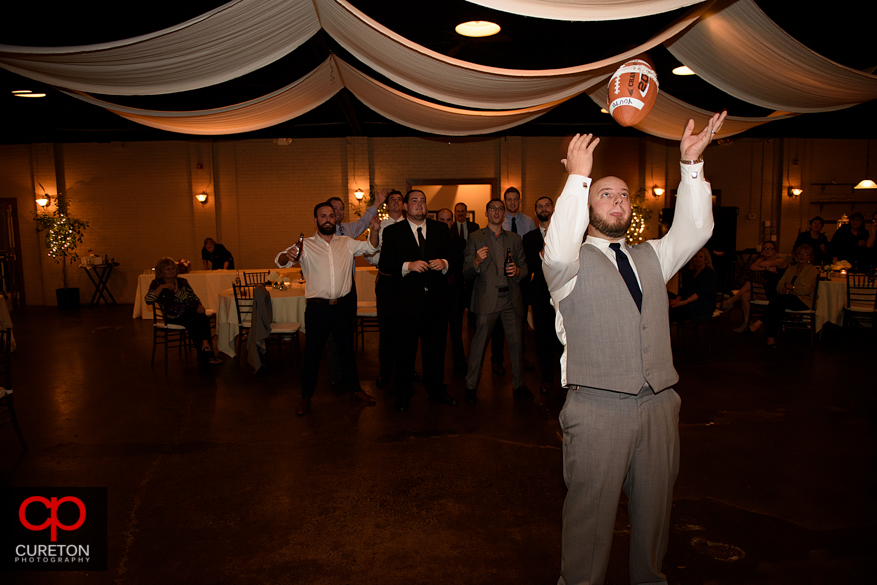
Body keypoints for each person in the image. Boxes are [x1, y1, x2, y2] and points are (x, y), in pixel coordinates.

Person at [544, 111, 727, 585]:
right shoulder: (566, 265)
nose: (618, 201)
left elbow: (696, 231)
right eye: (606, 194)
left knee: (655, 516)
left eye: (623, 195)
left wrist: (690, 165)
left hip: (660, 405)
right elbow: (560, 245)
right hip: (599, 408)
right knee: (590, 520)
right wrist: (578, 178)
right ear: (588, 207)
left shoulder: (651, 255)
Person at [275, 201, 381, 416]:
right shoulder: (305, 245)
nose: (327, 220)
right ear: (316, 220)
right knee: (312, 355)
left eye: (331, 216)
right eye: (323, 216)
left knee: (346, 353)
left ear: (336, 219)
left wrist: (375, 231)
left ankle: (355, 390)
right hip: (317, 309)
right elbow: (280, 261)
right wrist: (289, 255)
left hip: (342, 308)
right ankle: (306, 397)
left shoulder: (347, 242)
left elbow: (371, 247)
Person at [379, 191, 457, 412]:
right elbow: (385, 264)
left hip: (435, 303)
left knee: (436, 349)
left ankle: (436, 390)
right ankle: (403, 394)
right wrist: (407, 266)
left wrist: (444, 262)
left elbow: (454, 256)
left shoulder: (440, 229)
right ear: (405, 206)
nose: (419, 205)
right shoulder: (393, 232)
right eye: (414, 201)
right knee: (404, 352)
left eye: (423, 201)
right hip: (405, 304)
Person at [463, 199, 530, 403]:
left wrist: (518, 271)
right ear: (486, 213)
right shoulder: (475, 238)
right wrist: (475, 261)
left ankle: (519, 386)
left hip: (511, 298)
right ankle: (471, 386)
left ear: (504, 214)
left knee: (517, 345)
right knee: (479, 345)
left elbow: (525, 268)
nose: (497, 211)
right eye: (493, 208)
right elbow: (465, 272)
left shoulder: (515, 239)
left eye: (500, 209)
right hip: (487, 299)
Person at [493, 187, 537, 374]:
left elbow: (533, 248)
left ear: (520, 201)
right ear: (504, 201)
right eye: (508, 199)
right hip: (501, 277)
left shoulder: (528, 221)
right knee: (498, 322)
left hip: (522, 276)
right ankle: (497, 359)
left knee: (519, 319)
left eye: (515, 199)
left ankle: (521, 357)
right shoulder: (498, 221)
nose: (512, 203)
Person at [364, 190, 405, 389]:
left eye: (399, 200)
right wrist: (388, 261)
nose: (396, 202)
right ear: (387, 206)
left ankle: (407, 369)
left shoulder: (412, 226)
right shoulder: (379, 226)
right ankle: (386, 370)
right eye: (392, 200)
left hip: (408, 283)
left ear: (404, 205)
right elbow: (369, 256)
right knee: (387, 329)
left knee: (408, 328)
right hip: (388, 282)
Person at [146, 257, 222, 364]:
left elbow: (193, 298)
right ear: (161, 271)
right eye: (168, 269)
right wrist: (162, 287)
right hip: (172, 316)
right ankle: (206, 351)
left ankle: (205, 349)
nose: (171, 271)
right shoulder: (156, 284)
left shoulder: (182, 282)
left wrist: (200, 305)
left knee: (199, 315)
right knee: (196, 319)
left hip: (188, 313)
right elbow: (148, 300)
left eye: (173, 268)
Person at [523, 196, 560, 393]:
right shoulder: (529, 238)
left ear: (553, 208)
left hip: (564, 294)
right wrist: (541, 254)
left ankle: (569, 378)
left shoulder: (565, 234)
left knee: (564, 338)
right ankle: (547, 378)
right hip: (539, 293)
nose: (543, 208)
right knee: (543, 338)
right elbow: (529, 266)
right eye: (539, 206)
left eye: (547, 205)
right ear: (535, 211)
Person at [747, 244, 818, 348]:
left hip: (804, 301)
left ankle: (759, 323)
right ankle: (770, 338)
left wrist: (791, 288)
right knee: (778, 305)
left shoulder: (813, 271)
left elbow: (805, 291)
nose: (802, 256)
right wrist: (788, 289)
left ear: (810, 257)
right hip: (787, 299)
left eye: (806, 254)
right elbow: (779, 286)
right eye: (800, 254)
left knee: (779, 301)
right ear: (796, 256)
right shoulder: (791, 269)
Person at [722, 242, 788, 332]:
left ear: (775, 251)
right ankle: (746, 322)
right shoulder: (761, 259)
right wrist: (766, 269)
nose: (767, 250)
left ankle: (730, 301)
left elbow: (763, 264)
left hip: (777, 293)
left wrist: (765, 265)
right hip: (765, 292)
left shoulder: (780, 260)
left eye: (770, 248)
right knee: (745, 295)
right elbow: (752, 267)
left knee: (749, 284)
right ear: (762, 252)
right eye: (765, 248)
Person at [438, 207, 470, 377]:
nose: (445, 223)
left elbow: (460, 266)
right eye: (442, 220)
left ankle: (459, 361)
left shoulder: (460, 242)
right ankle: (438, 364)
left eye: (448, 219)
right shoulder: (431, 242)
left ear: (452, 222)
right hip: (438, 293)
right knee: (439, 331)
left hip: (456, 291)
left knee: (457, 329)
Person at [668, 247, 718, 325]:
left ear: (706, 259)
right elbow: (683, 289)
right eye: (695, 256)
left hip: (702, 304)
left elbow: (701, 293)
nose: (697, 259)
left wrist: (682, 303)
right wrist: (677, 300)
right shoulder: (691, 272)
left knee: (673, 311)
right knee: (668, 299)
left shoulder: (709, 274)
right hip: (689, 301)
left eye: (700, 257)